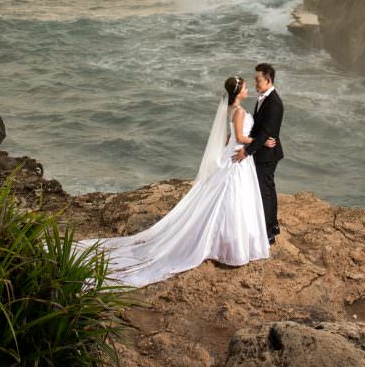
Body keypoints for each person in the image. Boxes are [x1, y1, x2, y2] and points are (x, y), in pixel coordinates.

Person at [75, 75, 276, 287]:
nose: (247, 90)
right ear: (238, 93)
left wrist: (236, 146)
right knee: (231, 199)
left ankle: (226, 242)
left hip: (235, 154)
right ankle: (228, 246)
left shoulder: (231, 110)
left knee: (229, 198)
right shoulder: (240, 112)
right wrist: (263, 141)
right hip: (239, 156)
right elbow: (240, 137)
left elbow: (229, 139)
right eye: (245, 88)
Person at [232, 63, 284, 244]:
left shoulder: (275, 103)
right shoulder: (263, 97)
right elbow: (259, 131)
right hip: (263, 149)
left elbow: (265, 132)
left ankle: (268, 232)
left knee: (265, 192)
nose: (255, 83)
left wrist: (246, 151)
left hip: (267, 154)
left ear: (268, 80)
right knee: (268, 188)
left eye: (258, 79)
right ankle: (273, 225)